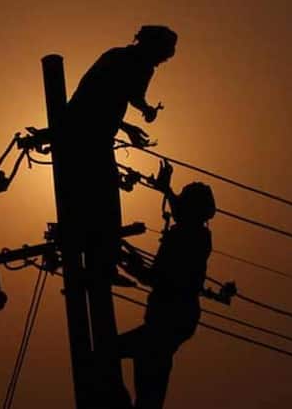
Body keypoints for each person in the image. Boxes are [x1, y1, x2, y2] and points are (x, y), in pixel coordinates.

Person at [59, 25, 177, 408]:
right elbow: (98, 97)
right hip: (84, 134)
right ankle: (101, 261)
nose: (165, 59)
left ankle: (102, 260)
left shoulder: (138, 65)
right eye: (165, 51)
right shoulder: (122, 60)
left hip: (97, 133)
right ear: (151, 45)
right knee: (102, 202)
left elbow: (124, 97)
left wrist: (135, 118)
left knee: (101, 201)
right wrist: (134, 116)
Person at [118, 161, 215, 409]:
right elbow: (183, 212)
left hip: (168, 322)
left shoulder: (186, 238)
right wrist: (167, 191)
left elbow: (157, 279)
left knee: (110, 354)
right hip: (172, 322)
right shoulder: (195, 234)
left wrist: (129, 264)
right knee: (147, 381)